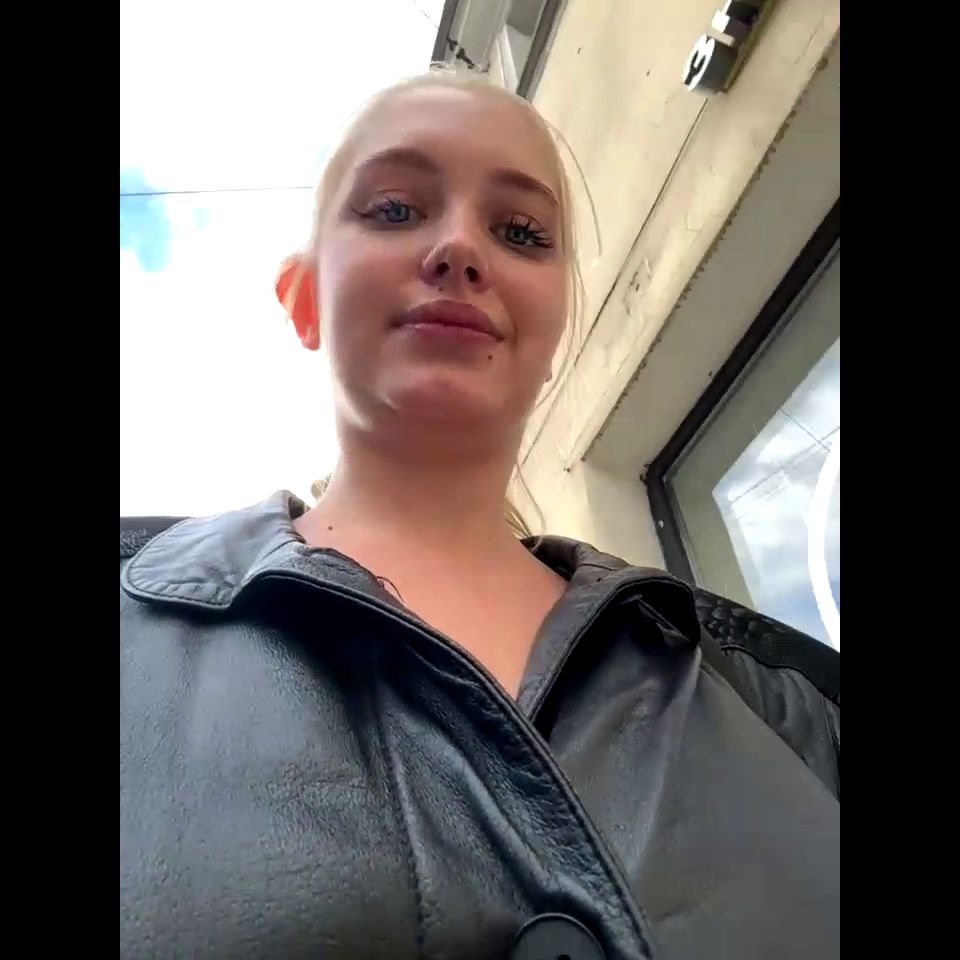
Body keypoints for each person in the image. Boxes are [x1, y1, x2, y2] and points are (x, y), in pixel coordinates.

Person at [120, 67, 839, 960]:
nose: (460, 249)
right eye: (394, 210)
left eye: (521, 232)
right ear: (304, 300)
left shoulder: (787, 702)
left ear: (558, 322)